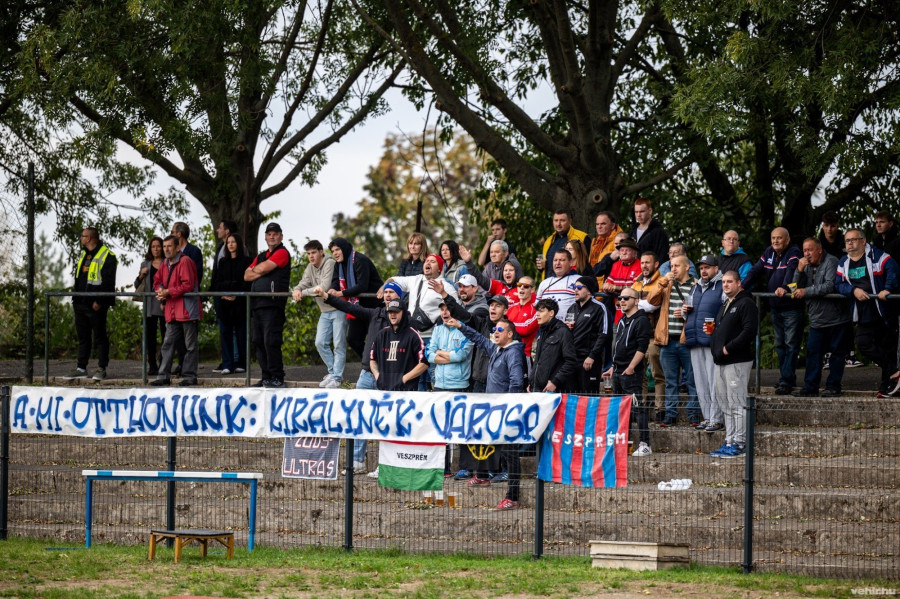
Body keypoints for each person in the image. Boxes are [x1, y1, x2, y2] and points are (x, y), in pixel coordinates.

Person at [315, 281, 403, 475]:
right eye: (386, 292)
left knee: (385, 421)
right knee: (358, 417)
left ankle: (386, 464)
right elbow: (349, 306)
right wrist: (327, 296)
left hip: (388, 378)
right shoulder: (375, 314)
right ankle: (357, 461)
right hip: (365, 375)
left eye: (392, 292)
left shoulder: (405, 319)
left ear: (400, 297)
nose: (388, 295)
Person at [450, 316, 527, 509]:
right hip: (493, 409)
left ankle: (513, 495)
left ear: (510, 334)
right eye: (495, 329)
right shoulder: (497, 349)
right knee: (482, 438)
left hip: (506, 410)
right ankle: (483, 475)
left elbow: (517, 382)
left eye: (500, 330)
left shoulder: (513, 353)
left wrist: (508, 407)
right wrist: (461, 325)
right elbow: (479, 338)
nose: (496, 332)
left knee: (510, 453)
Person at [836, 229, 900, 397]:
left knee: (887, 347)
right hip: (863, 311)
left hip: (884, 310)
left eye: (853, 239)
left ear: (863, 241)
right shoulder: (844, 262)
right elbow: (838, 284)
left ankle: (887, 387)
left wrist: (888, 288)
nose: (850, 243)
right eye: (847, 240)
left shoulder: (878, 256)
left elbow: (893, 270)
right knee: (863, 344)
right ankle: (894, 371)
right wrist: (853, 290)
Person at [742, 227, 803, 395]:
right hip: (775, 306)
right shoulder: (769, 252)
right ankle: (787, 378)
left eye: (779, 238)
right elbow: (755, 270)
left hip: (791, 307)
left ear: (787, 240)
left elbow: (791, 272)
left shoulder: (794, 252)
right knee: (780, 345)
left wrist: (784, 287)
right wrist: (742, 287)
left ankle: (786, 381)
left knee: (791, 344)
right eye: (773, 238)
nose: (775, 241)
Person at [709, 271, 759, 459]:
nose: (726, 285)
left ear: (739, 283)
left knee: (738, 404)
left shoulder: (746, 304)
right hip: (720, 362)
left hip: (736, 361)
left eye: (730, 281)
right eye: (723, 282)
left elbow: (749, 331)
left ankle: (740, 443)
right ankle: (729, 441)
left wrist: (728, 348)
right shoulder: (725, 304)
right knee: (725, 405)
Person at [790, 238, 848, 397]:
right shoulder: (805, 266)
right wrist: (799, 270)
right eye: (804, 250)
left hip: (836, 317)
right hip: (816, 318)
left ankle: (833, 387)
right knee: (813, 354)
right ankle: (810, 387)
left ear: (819, 250)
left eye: (810, 250)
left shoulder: (831, 261)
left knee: (836, 355)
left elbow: (830, 285)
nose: (806, 254)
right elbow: (794, 289)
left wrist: (806, 292)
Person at [649, 255, 701, 427]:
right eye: (671, 265)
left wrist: (688, 312)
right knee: (670, 381)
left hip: (688, 341)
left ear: (687, 267)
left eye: (677, 265)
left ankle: (694, 415)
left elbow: (702, 310)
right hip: (667, 340)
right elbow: (651, 300)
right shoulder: (667, 284)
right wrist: (662, 281)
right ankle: (670, 415)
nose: (673, 269)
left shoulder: (697, 285)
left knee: (693, 381)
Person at [602, 287, 652, 456]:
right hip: (618, 371)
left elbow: (642, 347)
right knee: (621, 410)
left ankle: (645, 444)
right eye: (620, 299)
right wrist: (613, 366)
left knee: (638, 408)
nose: (621, 301)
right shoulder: (623, 319)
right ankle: (623, 442)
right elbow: (618, 346)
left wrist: (631, 367)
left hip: (631, 373)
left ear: (636, 301)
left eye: (626, 298)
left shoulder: (641, 320)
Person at [65, 227, 117, 381]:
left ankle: (101, 368)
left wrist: (99, 301)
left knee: (100, 337)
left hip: (96, 305)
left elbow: (108, 281)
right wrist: (75, 298)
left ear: (89, 238)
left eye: (83, 236)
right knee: (83, 337)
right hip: (80, 302)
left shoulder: (107, 255)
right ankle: (81, 368)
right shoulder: (83, 254)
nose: (81, 238)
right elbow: (80, 278)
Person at [292, 240, 345, 388]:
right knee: (320, 342)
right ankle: (333, 372)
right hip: (325, 311)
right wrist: (297, 289)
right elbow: (304, 282)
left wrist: (302, 292)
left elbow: (323, 287)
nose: (311, 256)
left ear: (321, 252)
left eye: (314, 252)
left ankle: (337, 378)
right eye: (308, 253)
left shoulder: (329, 263)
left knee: (339, 344)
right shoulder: (310, 267)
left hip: (339, 308)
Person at [245, 222, 291, 388]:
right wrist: (260, 269)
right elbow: (246, 275)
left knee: (270, 341)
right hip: (257, 304)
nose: (272, 236)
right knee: (258, 340)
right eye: (269, 233)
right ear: (265, 237)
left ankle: (277, 377)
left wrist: (258, 270)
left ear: (281, 236)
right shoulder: (261, 255)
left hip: (273, 304)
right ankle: (266, 377)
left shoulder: (282, 253)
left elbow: (262, 269)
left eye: (275, 233)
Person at [151, 235, 201, 386]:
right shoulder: (165, 263)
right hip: (172, 311)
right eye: (164, 246)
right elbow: (157, 280)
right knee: (168, 344)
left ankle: (190, 376)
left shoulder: (185, 261)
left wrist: (167, 292)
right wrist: (160, 290)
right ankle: (163, 376)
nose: (166, 249)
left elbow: (188, 285)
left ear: (177, 247)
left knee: (190, 346)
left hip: (187, 310)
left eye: (169, 246)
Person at [682, 254, 724, 432]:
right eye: (701, 268)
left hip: (712, 341)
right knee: (701, 383)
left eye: (707, 267)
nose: (704, 271)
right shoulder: (695, 287)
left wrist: (719, 330)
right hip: (695, 339)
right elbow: (691, 312)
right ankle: (707, 418)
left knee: (714, 382)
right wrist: (684, 311)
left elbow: (726, 312)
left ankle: (716, 419)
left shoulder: (723, 285)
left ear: (716, 269)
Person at [328, 237, 384, 357]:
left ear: (344, 248)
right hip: (357, 307)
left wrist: (341, 293)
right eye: (332, 251)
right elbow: (336, 281)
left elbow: (362, 286)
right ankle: (370, 365)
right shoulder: (338, 265)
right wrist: (333, 289)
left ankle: (380, 367)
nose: (335, 253)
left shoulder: (360, 259)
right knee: (354, 340)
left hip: (374, 307)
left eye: (337, 249)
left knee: (377, 342)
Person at [631, 251, 665, 423]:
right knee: (639, 374)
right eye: (642, 263)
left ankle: (660, 409)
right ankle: (641, 408)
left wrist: (637, 303)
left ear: (656, 264)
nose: (644, 265)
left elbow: (653, 305)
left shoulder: (661, 281)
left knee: (657, 373)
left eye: (648, 262)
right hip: (638, 336)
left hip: (653, 335)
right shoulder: (636, 283)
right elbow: (628, 305)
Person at [211, 233, 251, 375]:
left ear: (238, 244)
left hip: (240, 303)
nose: (231, 244)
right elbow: (218, 282)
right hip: (225, 303)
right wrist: (229, 290)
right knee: (225, 333)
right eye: (228, 242)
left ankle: (241, 363)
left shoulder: (246, 261)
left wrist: (235, 293)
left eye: (233, 242)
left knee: (241, 334)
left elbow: (246, 283)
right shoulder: (222, 262)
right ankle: (227, 364)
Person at [370, 299, 429, 391]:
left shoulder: (413, 335)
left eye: (396, 312)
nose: (393, 314)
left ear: (404, 313)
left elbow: (425, 362)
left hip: (406, 392)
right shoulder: (381, 335)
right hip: (384, 391)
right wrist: (378, 376)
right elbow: (372, 359)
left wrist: (404, 379)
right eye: (390, 312)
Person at [565, 276, 609, 394]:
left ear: (589, 290)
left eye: (579, 287)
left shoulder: (599, 307)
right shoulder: (572, 308)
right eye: (574, 287)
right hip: (572, 359)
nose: (575, 290)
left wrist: (592, 356)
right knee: (572, 395)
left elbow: (603, 334)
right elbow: (566, 333)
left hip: (588, 359)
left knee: (588, 395)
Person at [529, 298, 578, 393]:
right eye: (537, 311)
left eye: (541, 311)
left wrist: (555, 382)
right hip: (537, 389)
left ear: (551, 313)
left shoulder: (563, 331)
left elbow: (571, 362)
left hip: (553, 391)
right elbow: (538, 361)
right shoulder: (542, 331)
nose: (537, 314)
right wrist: (531, 382)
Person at [426, 302, 473, 392]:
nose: (444, 313)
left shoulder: (466, 330)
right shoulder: (437, 329)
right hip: (439, 384)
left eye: (447, 309)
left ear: (456, 311)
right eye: (442, 310)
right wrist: (452, 357)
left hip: (459, 386)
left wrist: (439, 352)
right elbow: (429, 355)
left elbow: (459, 356)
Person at [134, 236, 164, 376]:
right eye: (153, 246)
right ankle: (152, 364)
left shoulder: (167, 262)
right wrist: (141, 275)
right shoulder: (145, 263)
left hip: (164, 302)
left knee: (166, 335)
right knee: (150, 336)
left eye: (158, 246)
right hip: (150, 303)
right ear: (150, 248)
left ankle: (164, 363)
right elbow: (137, 285)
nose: (156, 249)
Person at [211, 219, 237, 374]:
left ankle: (233, 360)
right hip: (219, 291)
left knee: (231, 328)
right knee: (224, 329)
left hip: (227, 293)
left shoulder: (234, 249)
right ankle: (228, 360)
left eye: (220, 227)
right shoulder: (221, 247)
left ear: (227, 231)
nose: (217, 230)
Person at [537, 210, 589, 279]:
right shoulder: (548, 241)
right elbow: (546, 265)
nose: (558, 224)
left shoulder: (582, 237)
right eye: (556, 220)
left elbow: (589, 263)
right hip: (550, 283)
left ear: (570, 221)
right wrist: (541, 267)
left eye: (562, 220)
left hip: (572, 283)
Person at [601, 238, 642, 323]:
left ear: (635, 253)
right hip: (616, 313)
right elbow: (608, 284)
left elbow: (635, 288)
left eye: (627, 250)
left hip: (634, 313)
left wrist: (614, 287)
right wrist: (606, 287)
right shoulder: (616, 265)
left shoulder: (640, 265)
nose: (623, 253)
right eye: (622, 250)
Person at [535, 249, 581, 321]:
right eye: (555, 260)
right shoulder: (544, 283)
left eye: (562, 260)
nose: (557, 263)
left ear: (571, 262)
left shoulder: (579, 280)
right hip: (546, 329)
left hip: (568, 328)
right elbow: (537, 307)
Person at [507, 276, 539, 356]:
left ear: (532, 290)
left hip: (524, 354)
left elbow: (525, 329)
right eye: (519, 285)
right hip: (507, 353)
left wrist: (508, 328)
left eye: (526, 286)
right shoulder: (511, 308)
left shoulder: (536, 309)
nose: (521, 288)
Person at [630, 198, 669, 263]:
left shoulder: (659, 232)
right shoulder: (633, 231)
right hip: (633, 271)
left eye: (642, 211)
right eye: (636, 212)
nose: (638, 215)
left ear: (650, 211)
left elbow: (662, 257)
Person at [588, 211, 623, 283]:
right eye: (597, 224)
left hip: (608, 285)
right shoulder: (595, 241)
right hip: (594, 283)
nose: (599, 227)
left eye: (603, 224)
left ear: (612, 226)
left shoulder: (620, 241)